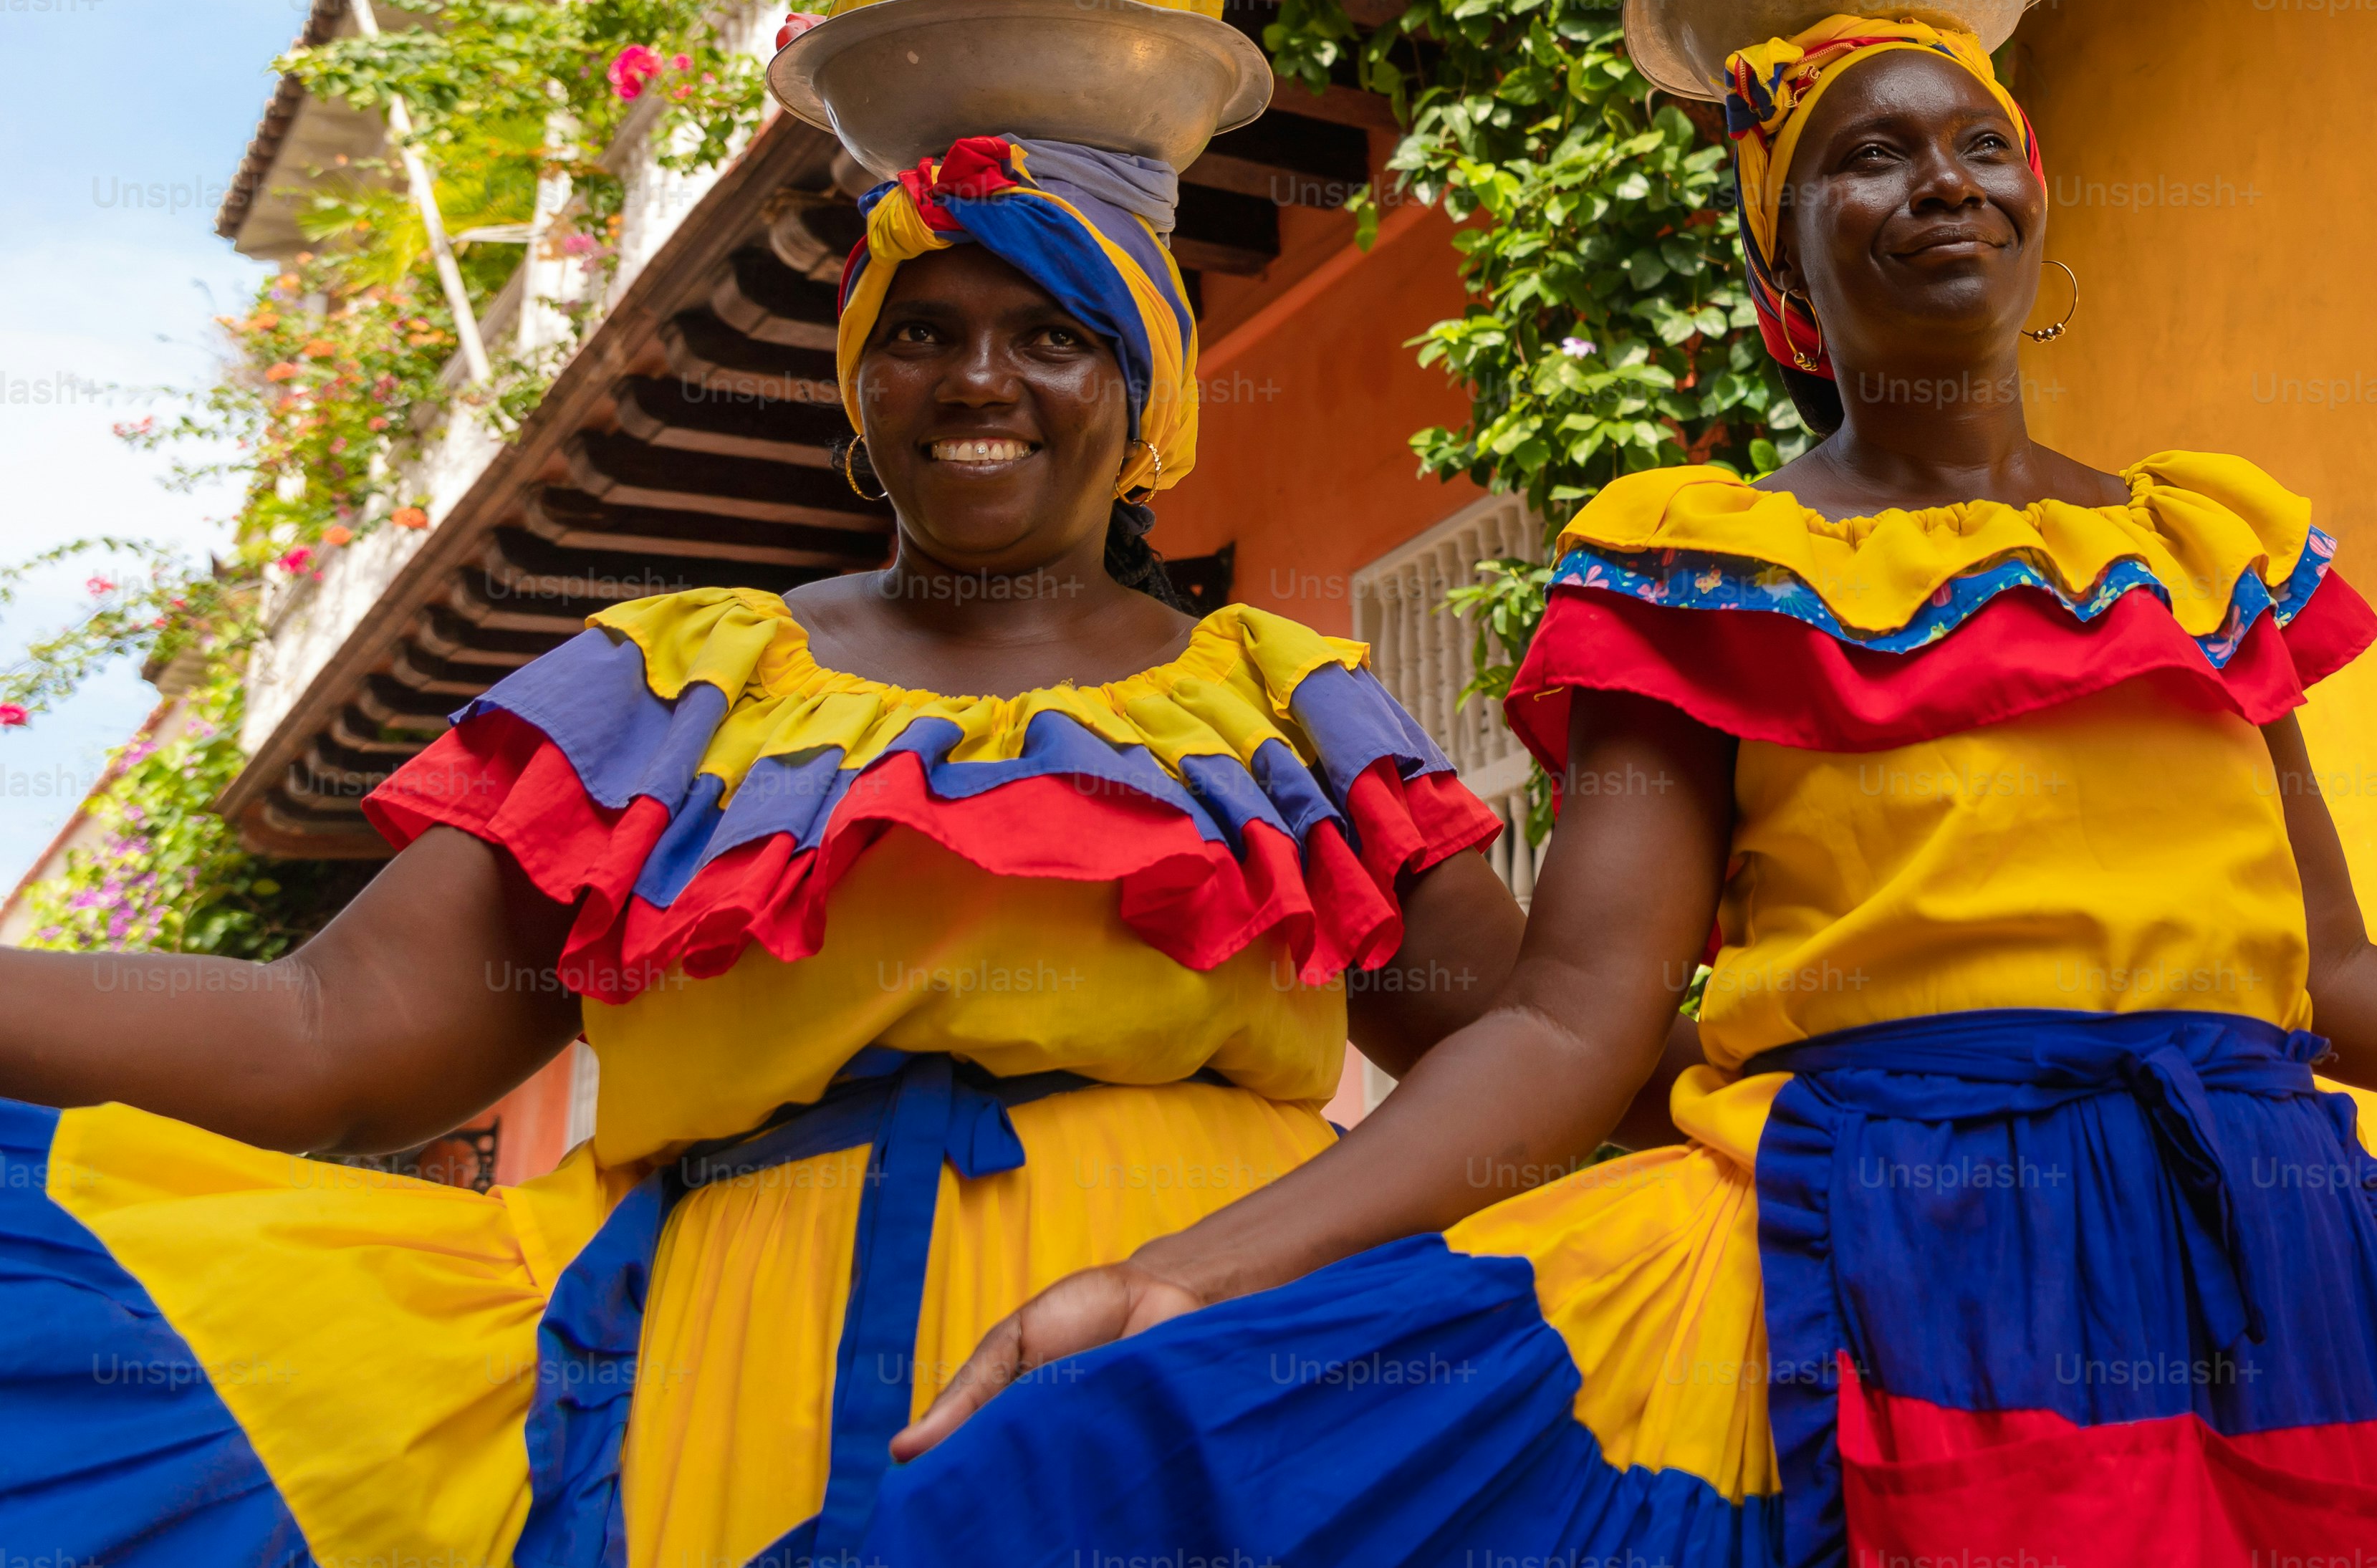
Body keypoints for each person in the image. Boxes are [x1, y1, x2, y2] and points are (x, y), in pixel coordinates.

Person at [865, 0, 2377, 1568]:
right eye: (1862, 159)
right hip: (1878, 1248)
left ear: (2033, 204)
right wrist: (1179, 1275)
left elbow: (2328, 974)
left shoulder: (2200, 545)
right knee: (1147, 1468)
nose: (1935, 182)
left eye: (1971, 143)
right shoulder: (1692, 564)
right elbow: (1564, 1032)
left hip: (2263, 1233)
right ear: (1780, 272)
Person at [0, 122, 1519, 1566]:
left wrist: (1254, 1270)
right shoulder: (682, 683)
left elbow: (1530, 1055)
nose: (979, 377)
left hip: (1200, 1399)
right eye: (920, 332)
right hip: (726, 1388)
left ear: (1147, 393)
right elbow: (328, 1031)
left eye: (1053, 333)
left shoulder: (1282, 705)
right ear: (860, 379)